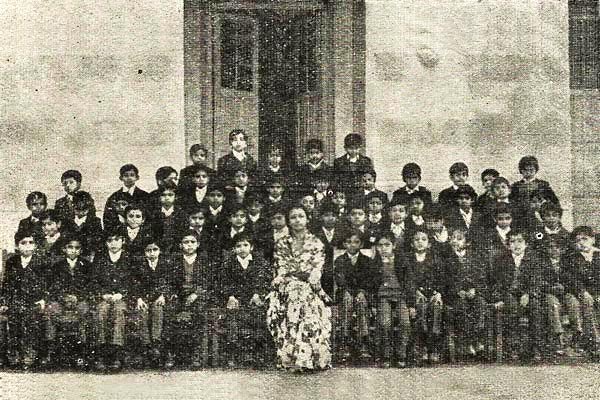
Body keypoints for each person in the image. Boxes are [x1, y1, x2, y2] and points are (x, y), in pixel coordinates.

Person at [266, 206, 332, 371]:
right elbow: (282, 268)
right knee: (296, 294)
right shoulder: (282, 243)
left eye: (301, 216)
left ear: (307, 219)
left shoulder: (316, 242)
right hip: (286, 286)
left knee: (303, 298)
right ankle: (293, 357)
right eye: (293, 217)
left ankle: (306, 358)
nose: (297, 220)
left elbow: (316, 269)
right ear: (289, 221)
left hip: (310, 287)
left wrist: (303, 276)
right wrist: (296, 276)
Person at [1, 231, 47, 369]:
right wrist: (4, 302)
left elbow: (46, 284)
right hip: (16, 299)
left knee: (30, 318)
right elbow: (7, 284)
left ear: (36, 246)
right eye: (23, 243)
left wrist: (43, 299)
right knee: (13, 317)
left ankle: (29, 353)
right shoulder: (12, 262)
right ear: (17, 246)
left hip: (34, 300)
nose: (27, 246)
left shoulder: (42, 262)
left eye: (31, 243)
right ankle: (14, 353)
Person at [334, 233, 380, 361]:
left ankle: (363, 342)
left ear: (361, 244)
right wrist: (348, 291)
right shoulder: (340, 260)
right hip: (345, 292)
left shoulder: (367, 260)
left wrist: (362, 291)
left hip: (363, 293)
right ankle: (345, 341)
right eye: (349, 242)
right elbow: (340, 280)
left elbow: (369, 280)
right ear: (344, 244)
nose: (352, 245)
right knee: (347, 301)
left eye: (356, 242)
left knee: (361, 302)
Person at [103, 164, 149, 233]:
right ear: (121, 178)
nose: (129, 178)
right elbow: (107, 219)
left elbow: (149, 218)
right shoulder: (114, 197)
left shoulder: (145, 196)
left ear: (137, 177)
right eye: (126, 175)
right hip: (120, 234)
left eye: (132, 175)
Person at [332, 133, 373, 198]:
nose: (354, 151)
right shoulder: (339, 162)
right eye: (351, 148)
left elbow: (371, 175)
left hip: (362, 194)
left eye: (356, 148)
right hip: (345, 194)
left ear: (360, 147)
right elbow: (335, 179)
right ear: (345, 148)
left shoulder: (366, 161)